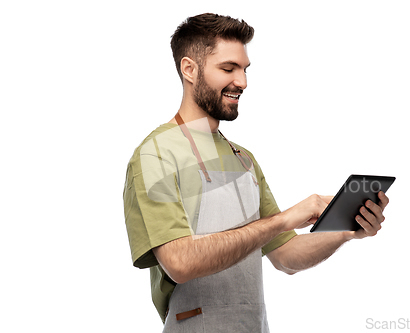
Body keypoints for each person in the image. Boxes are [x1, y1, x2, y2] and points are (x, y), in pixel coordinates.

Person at [123, 13, 390, 332]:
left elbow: (286, 255)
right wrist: (283, 219)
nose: (242, 82)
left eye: (244, 69)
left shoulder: (243, 160)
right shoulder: (156, 154)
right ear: (189, 69)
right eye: (228, 68)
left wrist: (347, 229)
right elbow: (181, 262)